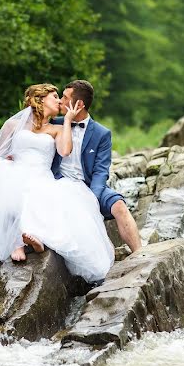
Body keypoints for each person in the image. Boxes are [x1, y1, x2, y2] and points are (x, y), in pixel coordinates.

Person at [0, 83, 114, 283]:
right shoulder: (14, 125)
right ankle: (16, 243)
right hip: (16, 170)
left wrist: (69, 119)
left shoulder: (57, 128)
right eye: (55, 97)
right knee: (9, 186)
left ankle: (35, 241)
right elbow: (0, 154)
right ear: (41, 99)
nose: (60, 101)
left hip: (41, 175)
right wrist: (7, 164)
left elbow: (64, 151)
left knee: (38, 194)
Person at [52, 80, 142, 254]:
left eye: (64, 97)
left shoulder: (102, 133)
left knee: (119, 206)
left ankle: (140, 255)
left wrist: (92, 198)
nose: (60, 101)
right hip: (60, 183)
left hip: (89, 186)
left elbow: (101, 171)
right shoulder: (55, 123)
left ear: (79, 104)